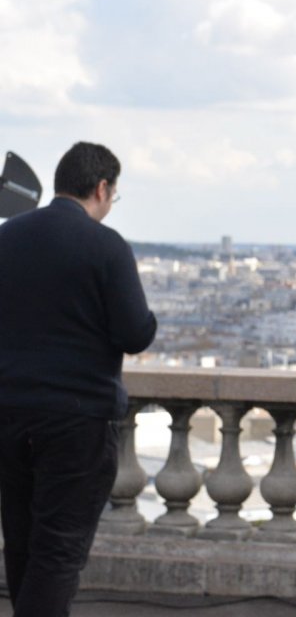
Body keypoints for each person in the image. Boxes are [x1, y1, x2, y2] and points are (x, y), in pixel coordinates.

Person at [0, 141, 157, 617]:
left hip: (8, 413)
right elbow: (135, 333)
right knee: (59, 552)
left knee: (22, 543)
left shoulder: (7, 238)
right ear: (103, 188)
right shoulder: (105, 246)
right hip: (77, 420)